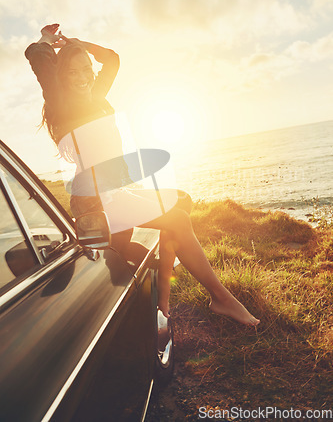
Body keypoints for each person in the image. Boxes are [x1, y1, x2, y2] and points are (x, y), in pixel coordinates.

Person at [25, 24, 260, 326]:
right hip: (94, 204)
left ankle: (163, 290)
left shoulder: (95, 94)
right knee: (177, 219)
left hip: (115, 192)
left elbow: (111, 60)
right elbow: (35, 54)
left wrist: (77, 43)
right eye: (73, 73)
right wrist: (47, 41)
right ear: (61, 76)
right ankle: (221, 298)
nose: (83, 78)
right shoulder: (60, 100)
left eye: (86, 70)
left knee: (181, 201)